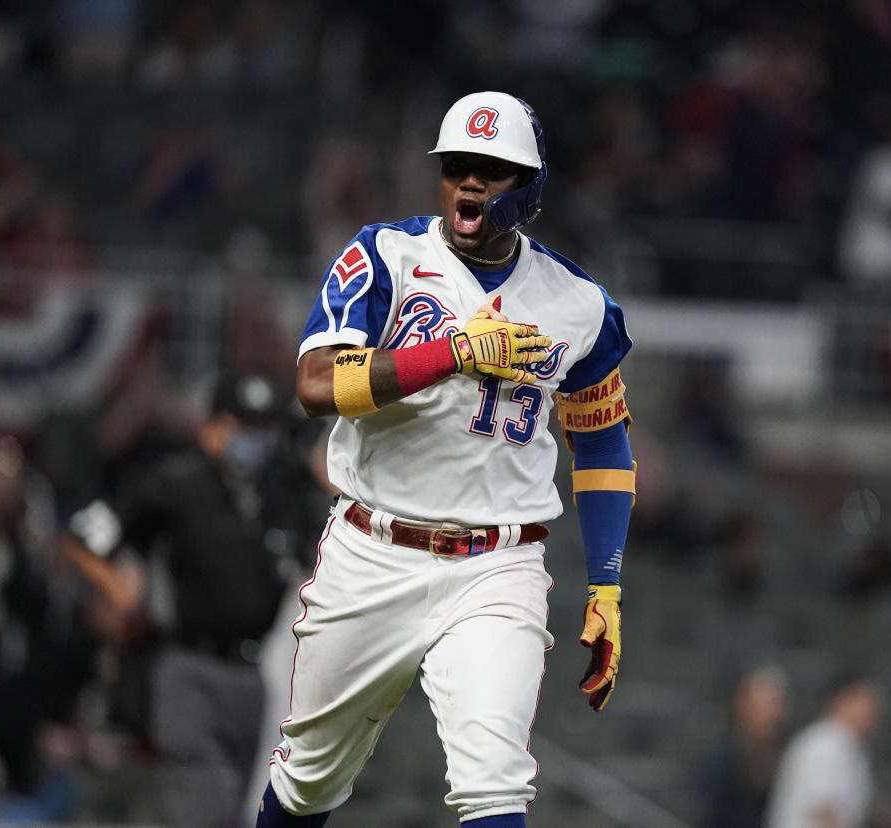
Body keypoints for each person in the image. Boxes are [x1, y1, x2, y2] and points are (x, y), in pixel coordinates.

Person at [257, 91, 635, 828]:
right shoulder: (385, 256)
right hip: (372, 549)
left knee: (494, 783)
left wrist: (607, 584)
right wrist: (452, 352)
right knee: (307, 783)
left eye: (493, 170)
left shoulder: (577, 304)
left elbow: (603, 440)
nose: (469, 183)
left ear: (530, 187)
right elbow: (314, 386)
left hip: (497, 564)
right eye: (458, 165)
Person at [60, 373, 295, 828]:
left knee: (246, 814)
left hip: (258, 676)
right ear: (212, 427)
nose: (254, 438)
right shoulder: (176, 484)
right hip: (190, 671)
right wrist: (119, 585)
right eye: (242, 425)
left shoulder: (275, 495)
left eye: (262, 427)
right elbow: (84, 533)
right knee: (206, 813)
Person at [765, 672, 884, 828]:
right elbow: (824, 816)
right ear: (842, 701)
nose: (874, 711)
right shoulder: (823, 745)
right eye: (867, 701)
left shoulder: (852, 748)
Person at [700, 664, 791, 828]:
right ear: (743, 704)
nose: (775, 713)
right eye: (766, 704)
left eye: (778, 704)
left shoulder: (787, 752)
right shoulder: (722, 756)